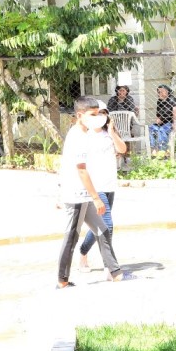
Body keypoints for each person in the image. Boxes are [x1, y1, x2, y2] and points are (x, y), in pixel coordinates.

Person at [56, 99, 124, 287]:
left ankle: (115, 272)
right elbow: (81, 171)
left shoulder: (85, 134)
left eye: (99, 113)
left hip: (86, 193)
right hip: (77, 195)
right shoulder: (77, 136)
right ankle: (62, 280)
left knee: (102, 230)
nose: (97, 117)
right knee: (72, 236)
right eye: (92, 114)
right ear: (80, 115)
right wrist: (96, 198)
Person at [150, 84, 176, 156]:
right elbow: (158, 115)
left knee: (162, 129)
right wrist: (157, 121)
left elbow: (175, 111)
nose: (160, 93)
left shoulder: (172, 99)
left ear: (167, 91)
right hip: (163, 122)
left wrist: (174, 123)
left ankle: (163, 150)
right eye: (159, 92)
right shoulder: (159, 101)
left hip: (172, 122)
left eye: (162, 91)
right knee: (151, 128)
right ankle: (154, 148)